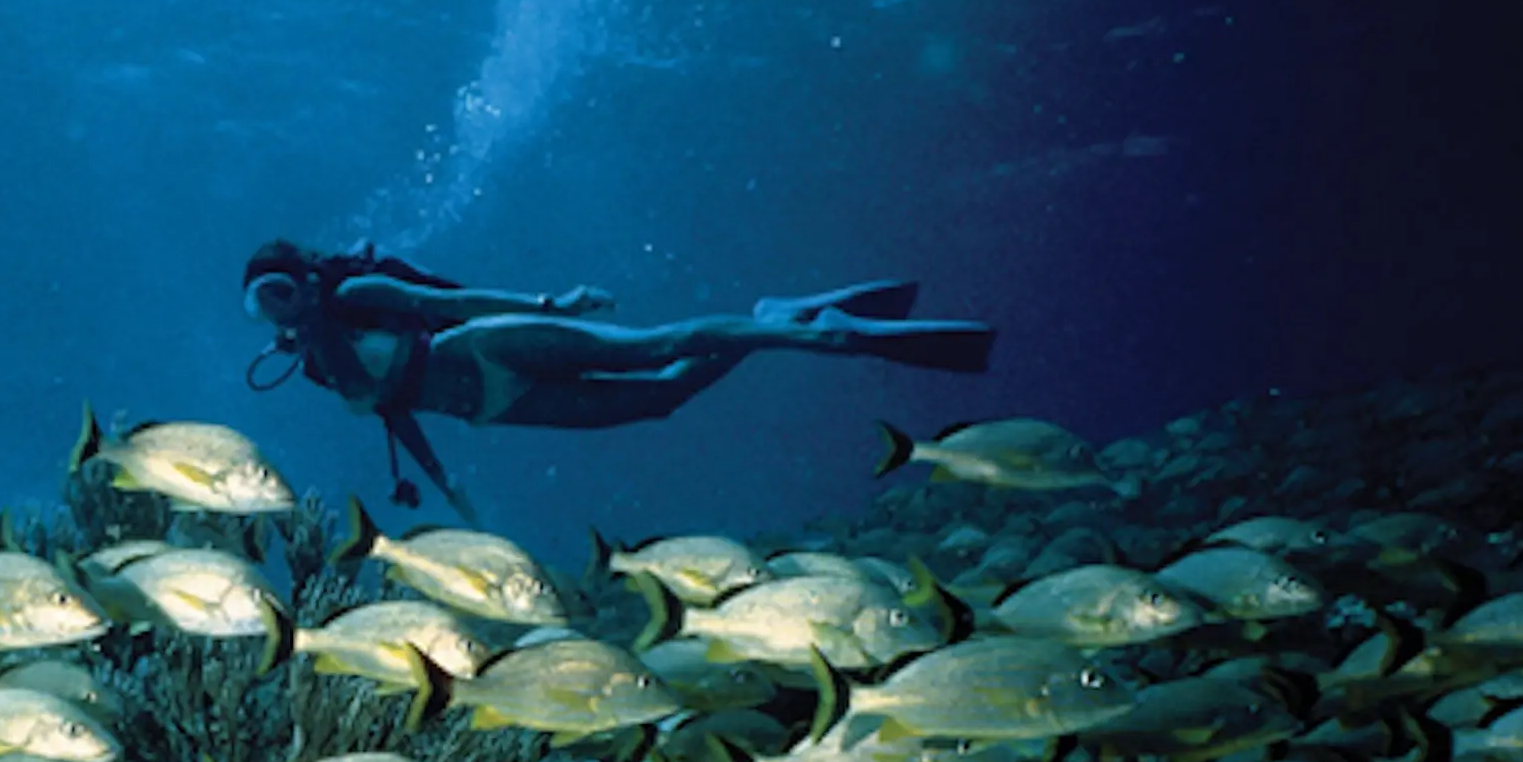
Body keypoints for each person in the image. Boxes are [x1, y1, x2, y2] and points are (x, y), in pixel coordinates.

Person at [242, 238, 996, 521]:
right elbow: (395, 415)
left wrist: (548, 303)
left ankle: (819, 335)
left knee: (648, 346)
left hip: (480, 349)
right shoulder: (314, 367)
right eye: (259, 304)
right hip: (500, 406)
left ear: (306, 279)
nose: (276, 310)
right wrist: (450, 493)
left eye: (279, 290)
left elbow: (448, 303)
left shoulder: (351, 299)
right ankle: (775, 320)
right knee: (662, 397)